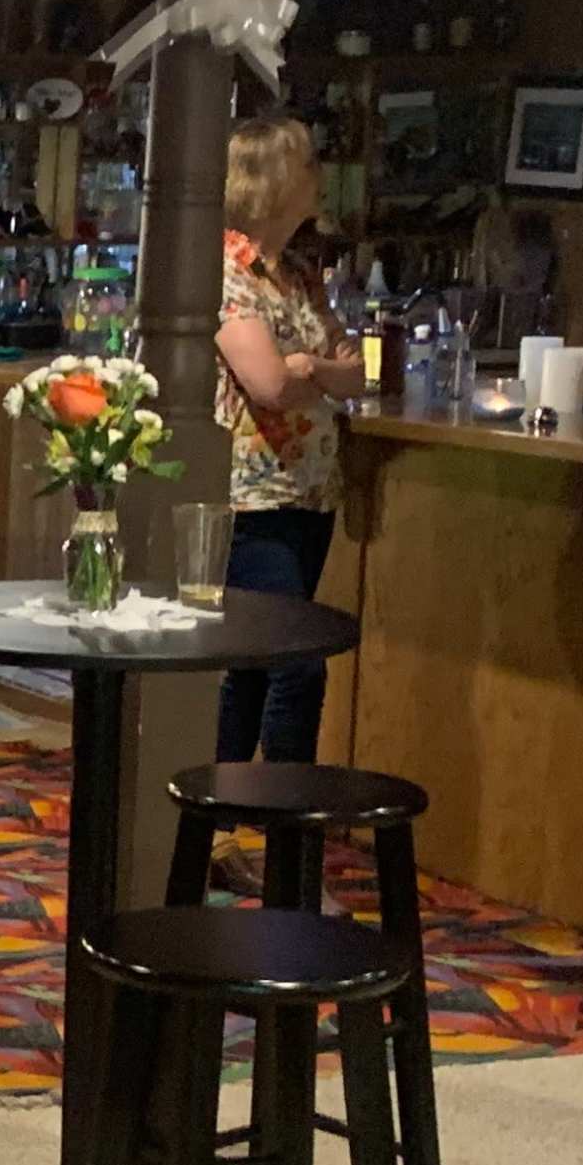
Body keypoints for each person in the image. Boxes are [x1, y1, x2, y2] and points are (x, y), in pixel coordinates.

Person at [212, 114, 362, 762]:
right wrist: (309, 371)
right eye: (306, 167)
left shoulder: (299, 270)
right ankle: (282, 817)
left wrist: (314, 370)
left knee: (253, 661)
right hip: (251, 497)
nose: (318, 179)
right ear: (270, 181)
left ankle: (221, 815)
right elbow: (268, 383)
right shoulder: (224, 272)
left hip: (309, 491)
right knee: (295, 660)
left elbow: (356, 370)